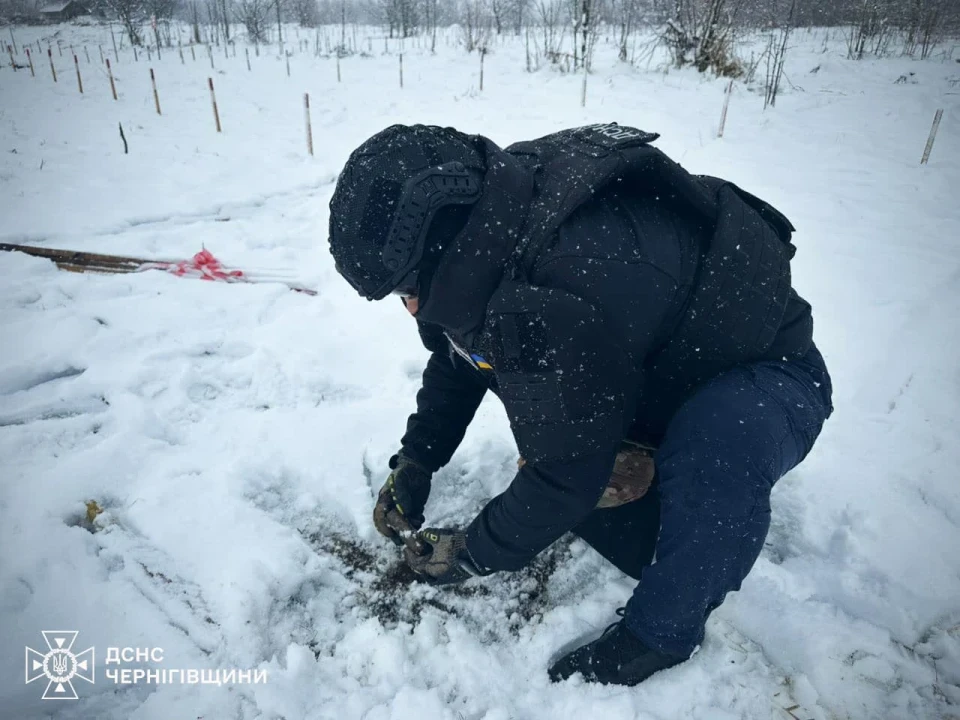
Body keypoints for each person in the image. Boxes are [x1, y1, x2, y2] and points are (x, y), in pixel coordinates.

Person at [327, 122, 833, 687]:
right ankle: (649, 467)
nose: (410, 307)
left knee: (706, 457)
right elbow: (460, 354)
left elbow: (563, 477)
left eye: (406, 289)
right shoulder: (493, 228)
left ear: (446, 247)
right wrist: (416, 459)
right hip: (659, 366)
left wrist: (469, 552)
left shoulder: (561, 286)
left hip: (770, 377)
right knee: (576, 472)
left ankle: (660, 636)